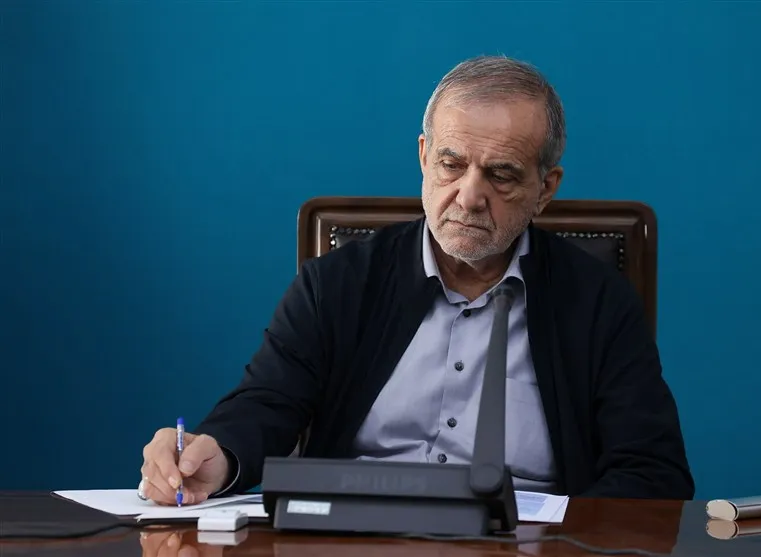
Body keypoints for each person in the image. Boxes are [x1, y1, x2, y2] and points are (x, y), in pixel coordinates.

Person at [139, 55, 695, 506]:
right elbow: (265, 404)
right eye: (452, 164)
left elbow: (652, 471)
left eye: (501, 175)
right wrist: (218, 456)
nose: (469, 197)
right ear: (425, 157)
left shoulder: (599, 302)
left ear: (545, 188)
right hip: (356, 539)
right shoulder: (336, 284)